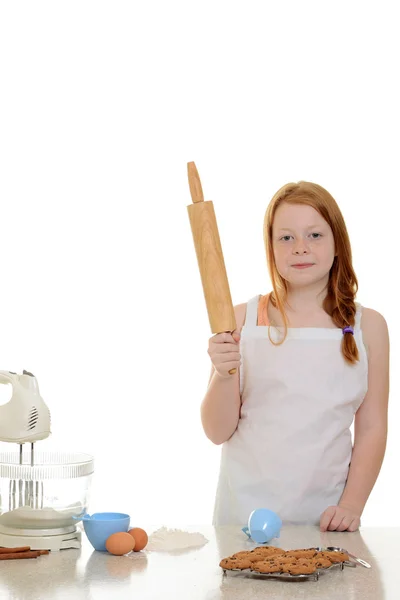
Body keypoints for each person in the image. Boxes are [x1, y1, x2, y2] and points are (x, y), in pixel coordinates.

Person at [201, 181, 389, 532]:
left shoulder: (369, 326)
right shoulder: (241, 319)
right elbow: (216, 431)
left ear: (338, 244)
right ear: (270, 248)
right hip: (241, 518)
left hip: (326, 520)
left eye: (314, 235)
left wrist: (351, 505)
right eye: (286, 238)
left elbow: (372, 427)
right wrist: (224, 373)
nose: (300, 248)